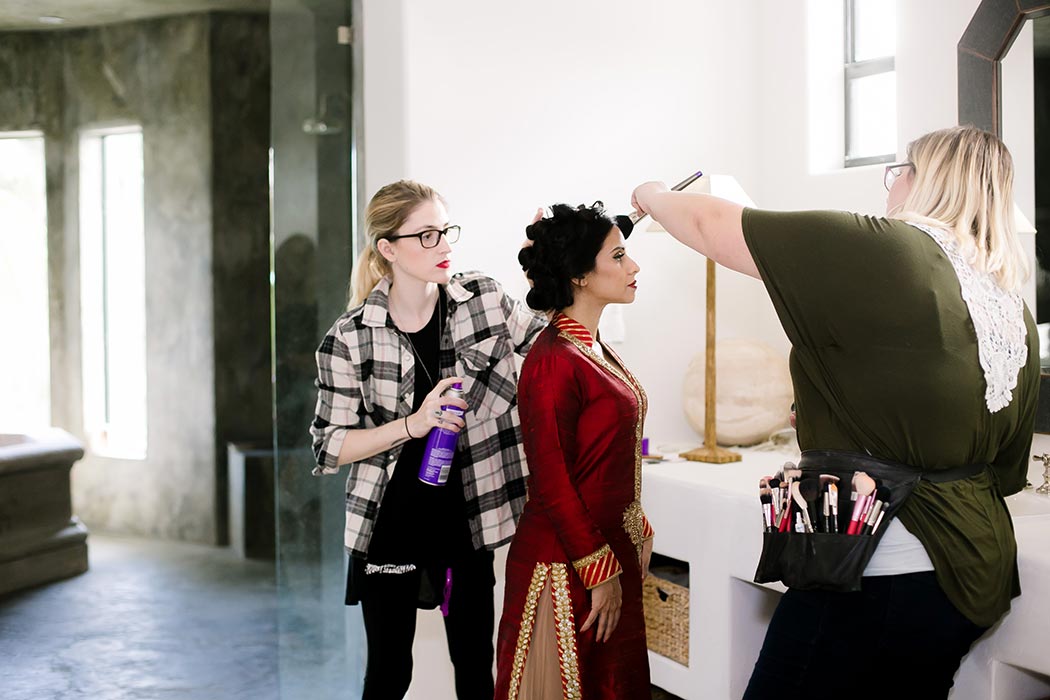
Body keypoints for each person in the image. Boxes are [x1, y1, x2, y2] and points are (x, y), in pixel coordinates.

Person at [630, 125, 1039, 700]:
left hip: (873, 564)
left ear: (929, 181)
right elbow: (1003, 465)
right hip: (973, 568)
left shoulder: (885, 246)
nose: (891, 187)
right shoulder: (1010, 305)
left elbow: (708, 224)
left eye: (900, 171)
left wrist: (651, 195)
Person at [310, 180, 547, 700]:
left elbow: (551, 340)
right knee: (390, 673)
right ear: (388, 249)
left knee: (473, 666)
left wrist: (542, 268)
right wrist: (412, 426)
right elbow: (329, 446)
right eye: (426, 235)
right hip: (391, 522)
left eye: (445, 231)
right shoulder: (350, 337)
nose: (443, 245)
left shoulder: (481, 299)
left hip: (468, 517)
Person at [494, 202, 656, 699]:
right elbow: (553, 481)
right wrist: (598, 568)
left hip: (608, 548)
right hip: (565, 564)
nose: (633, 268)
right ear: (582, 276)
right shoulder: (552, 361)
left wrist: (637, 525)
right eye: (620, 256)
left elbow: (605, 459)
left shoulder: (593, 349)